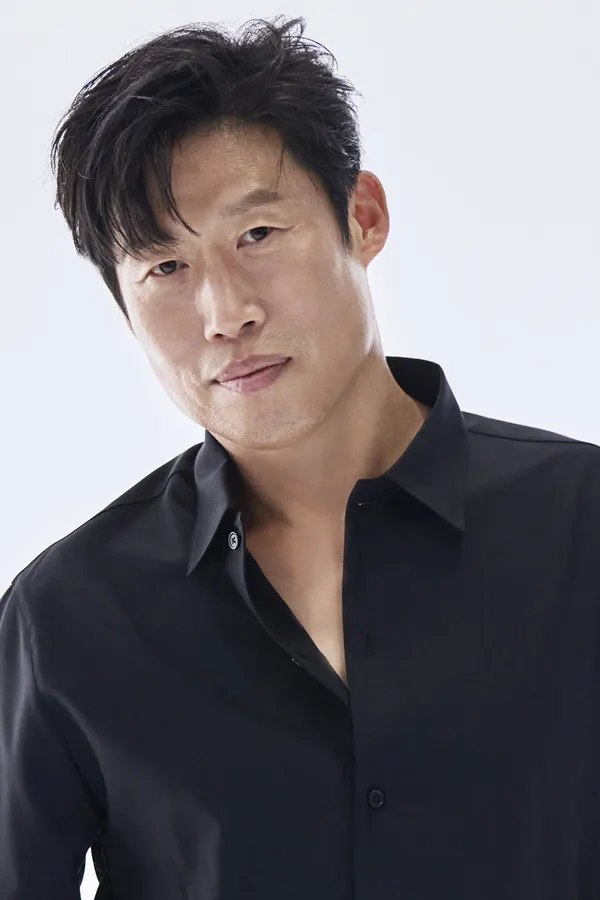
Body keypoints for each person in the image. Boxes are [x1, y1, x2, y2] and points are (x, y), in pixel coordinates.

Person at [1, 14, 599, 900]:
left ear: (363, 217)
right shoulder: (66, 618)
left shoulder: (583, 527)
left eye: (257, 235)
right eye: (165, 268)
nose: (224, 313)